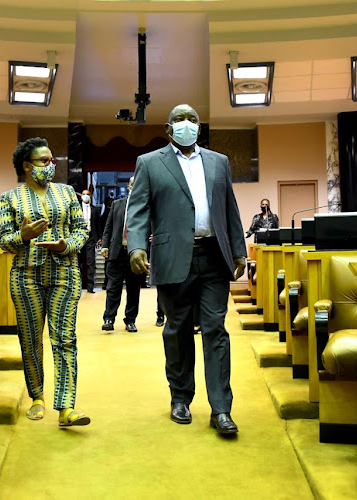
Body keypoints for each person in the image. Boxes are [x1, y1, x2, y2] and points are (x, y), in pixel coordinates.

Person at [127, 104, 247, 435]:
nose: (186, 125)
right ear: (168, 128)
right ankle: (180, 397)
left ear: (199, 127)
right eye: (179, 120)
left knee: (215, 330)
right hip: (172, 258)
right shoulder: (150, 163)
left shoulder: (218, 162)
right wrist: (136, 246)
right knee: (177, 330)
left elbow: (229, 209)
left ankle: (221, 409)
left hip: (213, 257)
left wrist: (239, 250)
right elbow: (137, 210)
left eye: (192, 119)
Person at [0, 137, 91, 427]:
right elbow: (4, 241)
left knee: (64, 339)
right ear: (27, 166)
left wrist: (66, 245)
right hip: (26, 276)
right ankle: (37, 396)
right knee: (31, 340)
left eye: (52, 161)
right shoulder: (10, 199)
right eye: (43, 161)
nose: (50, 166)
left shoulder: (67, 193)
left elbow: (82, 230)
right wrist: (22, 237)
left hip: (64, 273)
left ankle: (66, 408)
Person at [100, 176, 142, 333]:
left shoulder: (144, 206)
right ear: (129, 187)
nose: (135, 186)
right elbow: (108, 227)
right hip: (116, 253)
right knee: (113, 288)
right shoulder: (117, 205)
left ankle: (130, 320)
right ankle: (109, 318)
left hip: (135, 254)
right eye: (132, 184)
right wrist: (105, 245)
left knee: (133, 290)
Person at [78, 188, 101, 293]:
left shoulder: (95, 209)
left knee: (90, 262)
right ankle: (78, 286)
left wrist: (99, 238)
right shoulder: (77, 209)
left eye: (87, 194)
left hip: (91, 238)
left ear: (91, 196)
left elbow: (97, 224)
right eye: (84, 194)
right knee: (78, 263)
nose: (85, 196)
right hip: (79, 238)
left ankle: (90, 287)